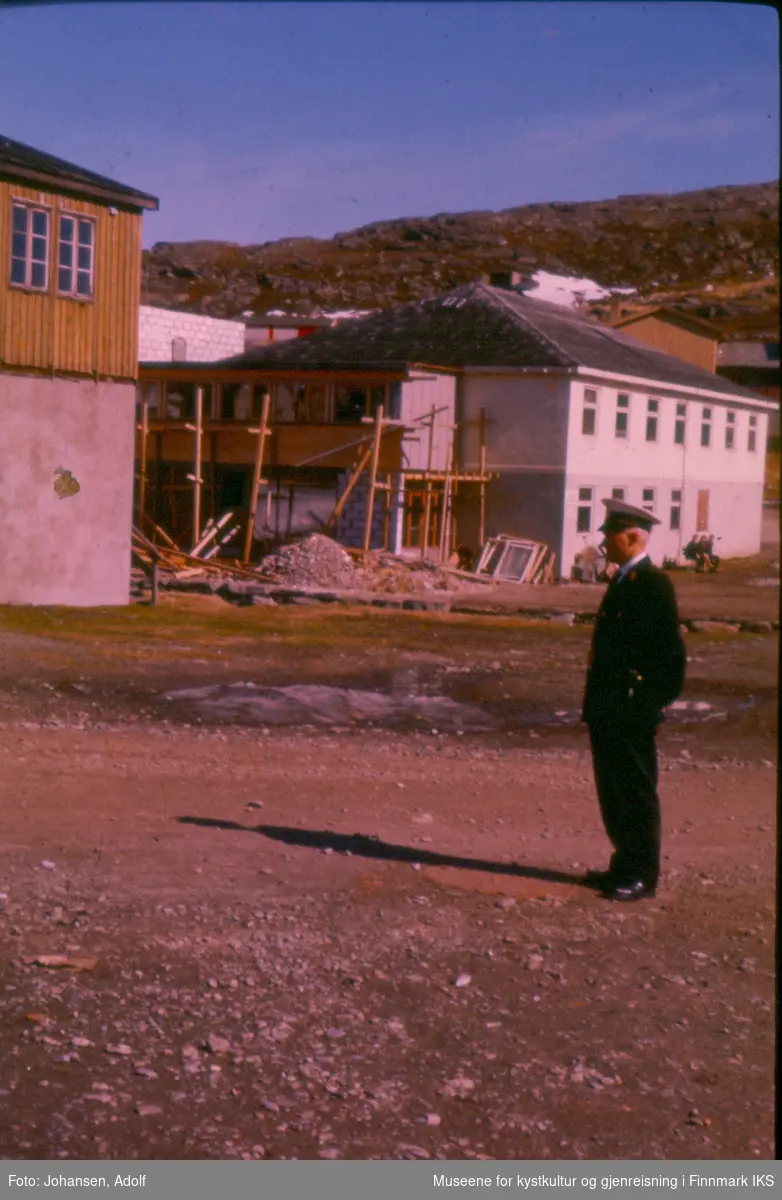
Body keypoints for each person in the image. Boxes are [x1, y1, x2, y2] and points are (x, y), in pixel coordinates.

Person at [581, 499, 687, 902]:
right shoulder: (623, 579)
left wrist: (655, 700)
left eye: (611, 535)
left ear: (631, 537)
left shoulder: (653, 583)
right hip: (610, 704)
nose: (605, 541)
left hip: (631, 706)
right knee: (612, 788)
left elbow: (671, 653)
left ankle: (643, 873)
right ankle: (624, 862)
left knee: (635, 791)